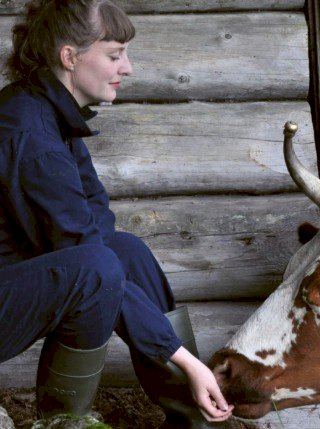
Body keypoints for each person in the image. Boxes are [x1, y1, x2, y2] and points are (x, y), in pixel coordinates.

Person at [0, 0, 233, 424]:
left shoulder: (54, 117)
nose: (127, 68)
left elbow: (99, 230)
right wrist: (185, 358)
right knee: (97, 268)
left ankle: (195, 416)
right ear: (70, 57)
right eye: (114, 54)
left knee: (125, 250)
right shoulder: (28, 132)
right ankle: (64, 421)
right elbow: (88, 255)